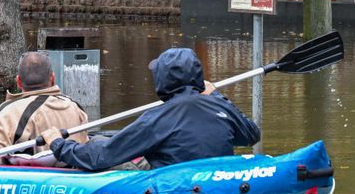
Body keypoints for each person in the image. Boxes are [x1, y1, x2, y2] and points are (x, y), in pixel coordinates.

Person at [41, 47, 259, 171]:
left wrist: (58, 144)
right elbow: (251, 135)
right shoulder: (219, 104)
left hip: (175, 186)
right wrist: (215, 95)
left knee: (98, 145)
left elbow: (101, 157)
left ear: (162, 79)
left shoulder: (159, 118)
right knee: (104, 139)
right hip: (214, 182)